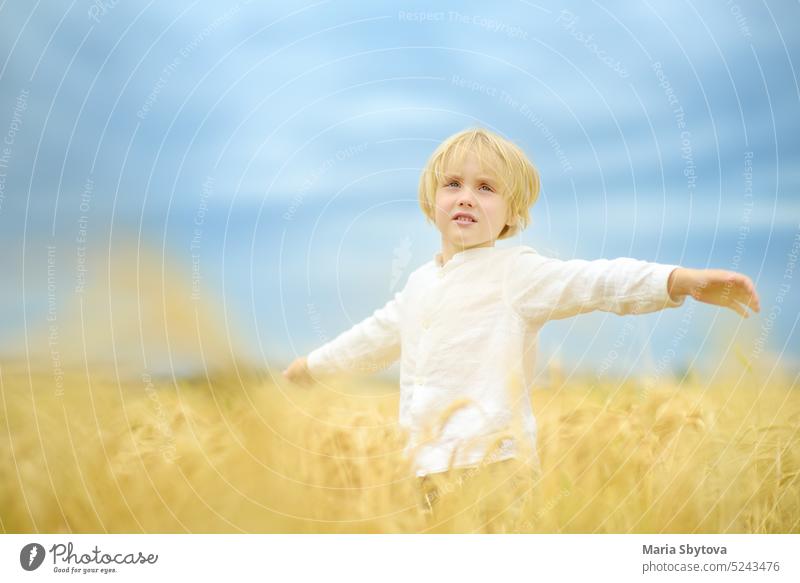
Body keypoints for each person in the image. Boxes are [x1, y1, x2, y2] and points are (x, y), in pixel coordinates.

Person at [282, 127, 761, 512]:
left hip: (494, 469)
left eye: (486, 188)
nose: (466, 197)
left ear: (512, 216)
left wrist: (678, 279)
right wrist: (314, 367)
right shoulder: (419, 285)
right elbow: (371, 338)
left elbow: (594, 281)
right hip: (421, 469)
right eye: (453, 184)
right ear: (432, 203)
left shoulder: (518, 274)